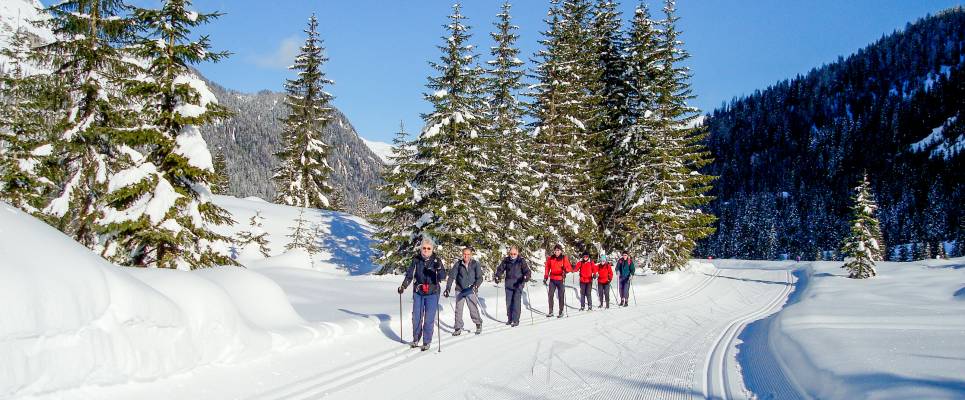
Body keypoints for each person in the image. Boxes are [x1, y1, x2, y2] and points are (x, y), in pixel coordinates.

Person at [398, 238, 447, 351]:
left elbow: (443, 276)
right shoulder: (416, 259)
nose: (426, 250)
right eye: (424, 248)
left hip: (432, 292)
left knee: (429, 318)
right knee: (416, 317)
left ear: (432, 249)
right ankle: (416, 338)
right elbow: (409, 275)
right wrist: (403, 286)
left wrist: (439, 268)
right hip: (418, 292)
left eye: (428, 248)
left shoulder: (436, 260)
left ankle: (426, 341)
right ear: (421, 249)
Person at [445, 246, 483, 336]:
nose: (466, 256)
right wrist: (448, 288)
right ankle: (458, 328)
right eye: (465, 254)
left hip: (471, 289)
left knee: (473, 308)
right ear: (462, 255)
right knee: (458, 309)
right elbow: (451, 277)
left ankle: (478, 324)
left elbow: (480, 278)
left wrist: (476, 285)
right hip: (460, 290)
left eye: (468, 254)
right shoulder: (458, 264)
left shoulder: (475, 264)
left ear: (471, 255)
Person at [494, 245, 531, 327]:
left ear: (517, 253)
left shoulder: (521, 261)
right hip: (509, 284)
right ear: (509, 253)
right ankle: (510, 318)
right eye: (511, 254)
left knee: (516, 301)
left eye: (514, 254)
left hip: (518, 283)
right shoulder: (506, 260)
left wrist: (527, 276)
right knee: (509, 302)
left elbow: (527, 271)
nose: (513, 255)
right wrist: (497, 276)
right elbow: (500, 269)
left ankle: (515, 320)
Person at [543, 244, 571, 318]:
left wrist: (565, 271)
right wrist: (546, 277)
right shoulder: (551, 258)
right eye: (555, 250)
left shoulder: (564, 258)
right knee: (550, 295)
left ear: (560, 251)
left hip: (560, 279)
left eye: (558, 250)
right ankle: (551, 311)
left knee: (561, 296)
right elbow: (547, 268)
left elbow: (569, 267)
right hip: (552, 279)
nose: (556, 252)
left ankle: (561, 311)